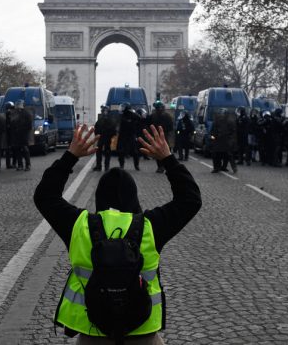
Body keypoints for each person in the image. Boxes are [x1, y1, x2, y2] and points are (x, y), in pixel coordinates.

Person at [33, 124, 202, 345]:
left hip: (92, 331)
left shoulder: (80, 225)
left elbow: (45, 196)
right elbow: (190, 199)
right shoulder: (150, 227)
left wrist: (70, 156)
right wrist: (168, 159)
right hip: (143, 331)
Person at [148, 101, 174, 173]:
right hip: (162, 135)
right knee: (164, 151)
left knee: (160, 151)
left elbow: (149, 125)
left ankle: (161, 167)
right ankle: (163, 166)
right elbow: (171, 127)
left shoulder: (154, 116)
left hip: (159, 135)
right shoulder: (167, 116)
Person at [210, 108, 238, 174]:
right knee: (216, 154)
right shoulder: (216, 121)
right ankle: (216, 168)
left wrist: (231, 140)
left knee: (228, 155)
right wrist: (212, 137)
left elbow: (233, 132)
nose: (221, 115)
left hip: (226, 141)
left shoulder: (230, 122)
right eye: (221, 113)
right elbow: (213, 131)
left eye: (223, 114)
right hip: (218, 140)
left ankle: (232, 167)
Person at [9, 100, 33, 171]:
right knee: (17, 150)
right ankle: (20, 165)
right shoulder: (14, 113)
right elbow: (11, 123)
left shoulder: (26, 114)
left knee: (25, 149)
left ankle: (28, 165)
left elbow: (29, 125)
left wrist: (23, 129)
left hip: (24, 134)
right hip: (16, 135)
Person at [117, 103, 141, 170]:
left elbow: (139, 118)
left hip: (131, 135)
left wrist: (134, 124)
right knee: (120, 152)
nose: (121, 109)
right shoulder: (121, 115)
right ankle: (121, 165)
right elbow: (118, 123)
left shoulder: (132, 115)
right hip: (123, 135)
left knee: (135, 152)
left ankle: (136, 165)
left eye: (123, 107)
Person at [93, 105, 117, 171]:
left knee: (107, 153)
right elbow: (96, 128)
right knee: (99, 152)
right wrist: (97, 135)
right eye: (104, 111)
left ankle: (106, 166)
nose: (105, 112)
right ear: (102, 111)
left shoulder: (110, 120)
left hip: (107, 138)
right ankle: (99, 166)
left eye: (106, 111)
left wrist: (110, 136)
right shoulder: (101, 120)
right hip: (101, 138)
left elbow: (114, 131)